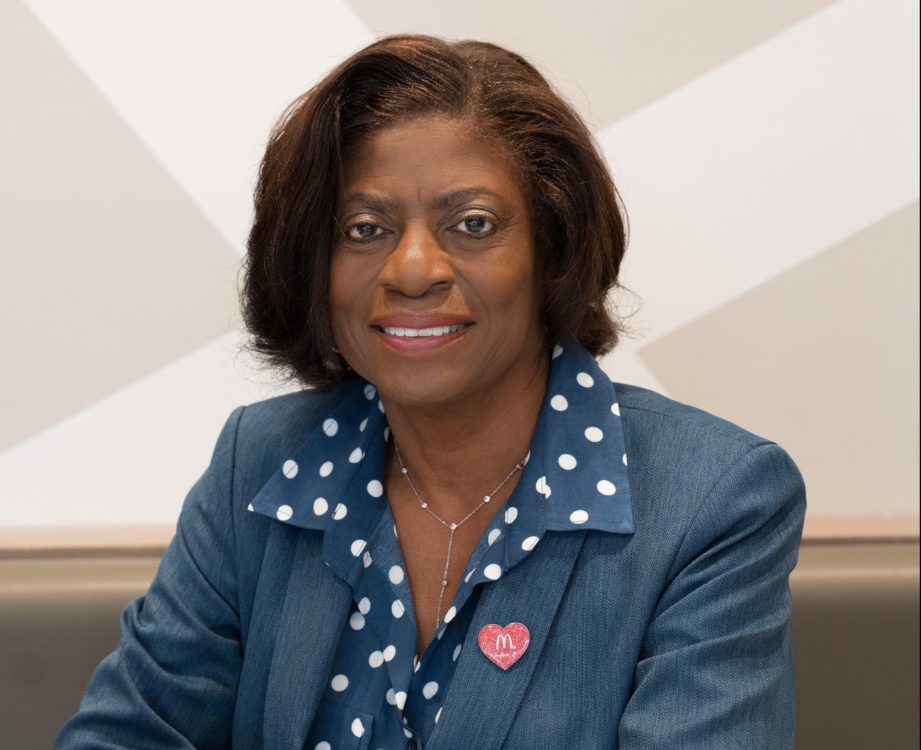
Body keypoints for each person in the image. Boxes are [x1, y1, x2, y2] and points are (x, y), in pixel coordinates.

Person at [55, 35, 806, 749]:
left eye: (472, 224)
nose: (412, 270)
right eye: (363, 229)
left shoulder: (710, 501)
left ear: (551, 248)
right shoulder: (260, 464)